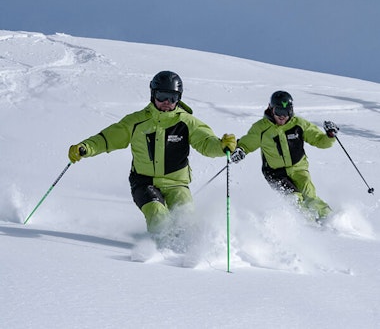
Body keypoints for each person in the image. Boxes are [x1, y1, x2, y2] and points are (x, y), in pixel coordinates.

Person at [68, 70, 236, 234]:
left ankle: (189, 252)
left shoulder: (187, 123)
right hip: (144, 183)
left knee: (186, 219)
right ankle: (161, 255)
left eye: (173, 97)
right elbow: (107, 139)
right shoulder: (136, 121)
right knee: (158, 215)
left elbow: (206, 142)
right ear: (153, 94)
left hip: (176, 184)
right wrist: (85, 148)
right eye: (162, 96)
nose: (167, 102)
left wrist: (221, 146)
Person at [231, 90, 339, 222]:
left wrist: (329, 135)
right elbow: (247, 143)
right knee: (293, 198)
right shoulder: (261, 128)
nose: (283, 116)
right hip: (275, 172)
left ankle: (331, 219)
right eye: (279, 112)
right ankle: (309, 224)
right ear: (271, 109)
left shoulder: (299, 124)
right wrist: (240, 150)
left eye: (286, 112)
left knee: (309, 196)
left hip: (299, 168)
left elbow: (320, 141)